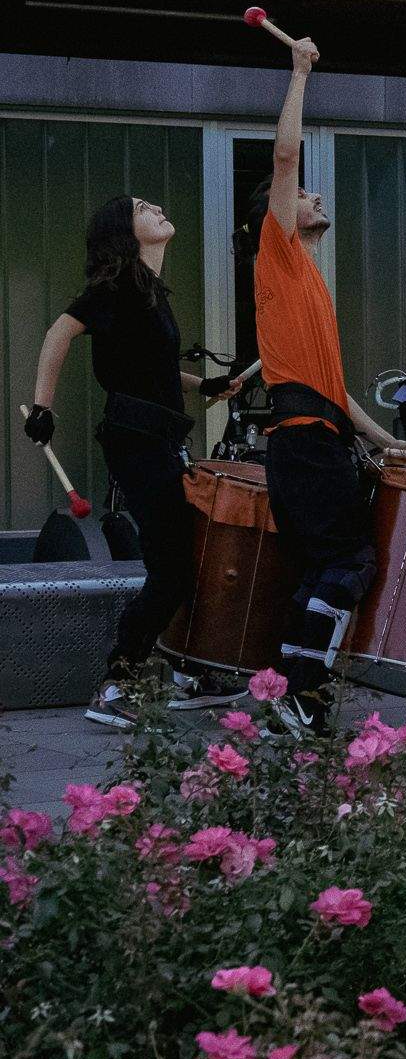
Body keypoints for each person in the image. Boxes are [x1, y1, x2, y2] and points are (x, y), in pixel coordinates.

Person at [25, 196, 243, 728]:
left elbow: (158, 373)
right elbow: (58, 333)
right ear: (124, 231)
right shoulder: (114, 289)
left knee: (185, 555)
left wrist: (207, 386)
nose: (161, 209)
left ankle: (189, 674)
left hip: (160, 437)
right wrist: (43, 408)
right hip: (135, 440)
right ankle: (114, 682)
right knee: (170, 566)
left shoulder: (151, 294)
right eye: (145, 209)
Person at [252, 37, 406, 737]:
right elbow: (285, 157)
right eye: (304, 194)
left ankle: (293, 699)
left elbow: (334, 391)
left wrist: (388, 443)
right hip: (304, 447)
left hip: (315, 438)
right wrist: (298, 75)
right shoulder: (280, 251)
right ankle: (303, 693)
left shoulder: (312, 284)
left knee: (325, 565)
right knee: (348, 561)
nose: (314, 193)